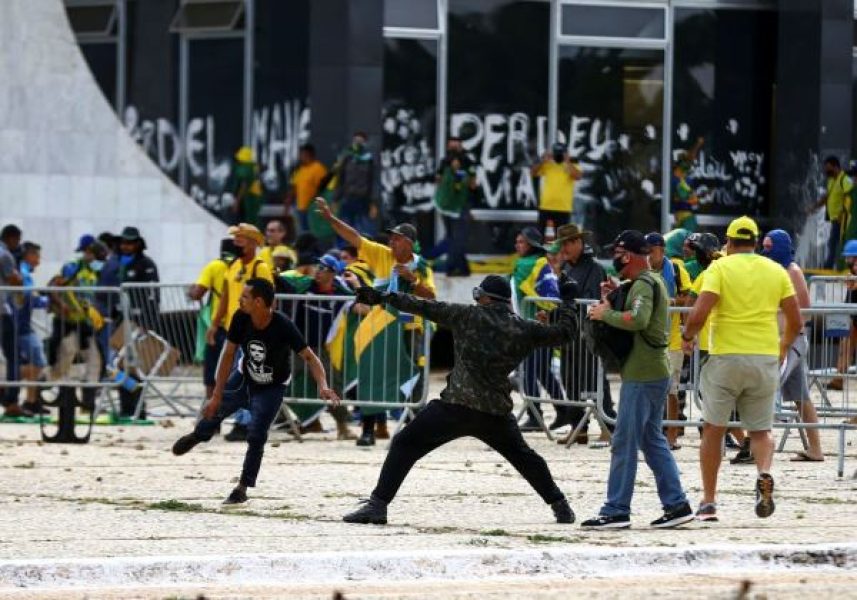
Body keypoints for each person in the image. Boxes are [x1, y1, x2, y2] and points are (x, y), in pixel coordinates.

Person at [342, 275, 579, 525]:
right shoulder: (525, 328)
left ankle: (377, 505)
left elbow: (422, 306)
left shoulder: (466, 315)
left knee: (404, 444)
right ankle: (560, 506)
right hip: (495, 412)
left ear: (483, 297)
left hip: (455, 407)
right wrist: (568, 302)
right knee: (526, 459)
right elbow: (565, 333)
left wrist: (383, 297)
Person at [172, 278, 340, 504]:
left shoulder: (283, 325)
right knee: (214, 410)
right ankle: (198, 435)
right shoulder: (240, 318)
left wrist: (323, 385)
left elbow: (310, 357)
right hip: (244, 377)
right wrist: (216, 395)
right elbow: (228, 354)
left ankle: (241, 488)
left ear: (258, 302)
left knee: (256, 435)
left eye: (244, 297)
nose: (239, 300)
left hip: (272, 387)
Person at [682, 216, 801, 522]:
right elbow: (796, 319)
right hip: (764, 357)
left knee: (713, 429)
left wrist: (687, 337)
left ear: (729, 242)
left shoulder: (720, 268)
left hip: (726, 357)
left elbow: (700, 312)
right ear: (756, 242)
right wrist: (783, 348)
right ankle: (763, 472)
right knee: (760, 431)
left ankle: (709, 501)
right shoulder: (775, 270)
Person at [582, 231, 692, 530]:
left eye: (617, 254)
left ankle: (616, 509)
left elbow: (639, 319)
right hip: (651, 372)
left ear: (628, 255)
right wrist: (615, 295)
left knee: (624, 441)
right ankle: (677, 504)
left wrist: (605, 314)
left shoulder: (644, 284)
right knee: (651, 440)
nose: (614, 259)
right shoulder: (647, 282)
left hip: (643, 375)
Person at [207, 223, 274, 441]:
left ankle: (245, 424)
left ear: (253, 242)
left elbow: (269, 300)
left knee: (245, 378)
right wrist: (214, 324)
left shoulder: (260, 267)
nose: (235, 242)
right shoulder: (234, 265)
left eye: (240, 238)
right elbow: (225, 298)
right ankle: (236, 420)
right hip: (233, 330)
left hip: (252, 331)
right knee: (230, 377)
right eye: (234, 238)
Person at [760, 230, 823, 461]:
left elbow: (804, 309)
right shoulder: (773, 271)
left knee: (766, 388)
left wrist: (786, 338)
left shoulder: (793, 271)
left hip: (791, 341)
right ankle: (815, 449)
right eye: (764, 246)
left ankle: (757, 445)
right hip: (782, 339)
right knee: (801, 397)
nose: (765, 251)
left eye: (769, 247)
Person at [553, 224, 615, 441]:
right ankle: (578, 428)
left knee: (595, 380)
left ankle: (609, 426)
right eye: (563, 243)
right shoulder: (566, 268)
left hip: (588, 334)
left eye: (569, 242)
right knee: (570, 380)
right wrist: (552, 317)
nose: (565, 247)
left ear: (579, 242)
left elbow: (590, 300)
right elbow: (564, 301)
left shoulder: (594, 269)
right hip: (570, 333)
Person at [512, 227, 562, 431]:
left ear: (531, 244)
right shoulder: (542, 263)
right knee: (542, 371)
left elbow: (516, 290)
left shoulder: (527, 265)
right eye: (517, 241)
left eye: (521, 242)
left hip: (533, 327)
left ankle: (535, 416)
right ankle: (565, 410)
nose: (517, 245)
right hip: (543, 326)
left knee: (530, 371)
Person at [645, 232, 690, 450]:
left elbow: (688, 298)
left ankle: (672, 434)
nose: (648, 255)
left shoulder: (677, 269)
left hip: (672, 339)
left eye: (651, 251)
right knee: (648, 387)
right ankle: (650, 431)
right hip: (648, 337)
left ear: (661, 250)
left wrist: (669, 301)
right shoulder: (643, 270)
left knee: (671, 390)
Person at [116, 226, 159, 419]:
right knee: (118, 366)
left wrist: (148, 323)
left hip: (138, 323)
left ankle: (138, 408)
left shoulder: (146, 264)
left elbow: (153, 294)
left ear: (138, 244)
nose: (126, 246)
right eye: (123, 242)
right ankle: (125, 407)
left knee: (136, 367)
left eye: (130, 243)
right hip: (121, 322)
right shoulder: (118, 263)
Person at [189, 238, 237, 403]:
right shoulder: (242, 267)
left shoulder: (214, 266)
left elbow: (197, 294)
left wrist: (190, 291)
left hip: (219, 326)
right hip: (240, 326)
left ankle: (212, 409)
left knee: (212, 372)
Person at [12, 242, 49, 414]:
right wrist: (47, 301)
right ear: (29, 255)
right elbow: (27, 296)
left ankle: (31, 401)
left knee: (33, 363)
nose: (39, 262)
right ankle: (8, 384)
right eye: (37, 256)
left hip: (21, 324)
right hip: (21, 326)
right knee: (37, 363)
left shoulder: (22, 270)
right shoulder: (23, 271)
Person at [433, 136, 475, 276]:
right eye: (451, 147)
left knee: (458, 237)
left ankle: (452, 267)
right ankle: (462, 268)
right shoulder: (444, 162)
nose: (454, 150)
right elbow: (438, 179)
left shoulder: (467, 161)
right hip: (447, 205)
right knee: (452, 237)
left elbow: (473, 184)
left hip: (461, 205)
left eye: (456, 147)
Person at [531, 142, 583, 232]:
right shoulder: (548, 164)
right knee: (539, 235)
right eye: (556, 153)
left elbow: (578, 176)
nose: (558, 156)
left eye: (560, 153)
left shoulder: (572, 164)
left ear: (566, 153)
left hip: (563, 207)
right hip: (546, 206)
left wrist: (567, 161)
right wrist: (543, 160)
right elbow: (533, 173)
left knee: (561, 237)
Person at [333, 131, 376, 236]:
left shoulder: (369, 159)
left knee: (365, 232)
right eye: (356, 141)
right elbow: (340, 180)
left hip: (363, 200)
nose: (358, 143)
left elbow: (374, 182)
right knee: (344, 230)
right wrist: (335, 200)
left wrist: (373, 203)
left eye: (361, 141)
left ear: (365, 143)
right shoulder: (347, 157)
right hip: (347, 199)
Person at [0, 224, 23, 416]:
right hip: (2, 311)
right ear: (11, 238)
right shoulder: (5, 255)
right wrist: (19, 277)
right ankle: (11, 401)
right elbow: (14, 280)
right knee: (13, 355)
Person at [816, 156, 854, 269]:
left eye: (829, 168)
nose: (826, 171)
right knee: (835, 242)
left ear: (836, 167)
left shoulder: (845, 180)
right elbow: (827, 197)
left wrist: (842, 213)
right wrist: (814, 207)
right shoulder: (832, 180)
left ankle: (833, 265)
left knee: (835, 242)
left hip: (843, 219)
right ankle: (837, 264)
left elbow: (849, 197)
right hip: (835, 219)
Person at [288, 144, 328, 233]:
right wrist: (288, 202)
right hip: (299, 207)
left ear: (309, 154)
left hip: (312, 208)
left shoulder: (318, 168)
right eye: (300, 155)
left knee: (312, 232)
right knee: (301, 232)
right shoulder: (300, 169)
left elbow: (323, 188)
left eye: (303, 154)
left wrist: (316, 204)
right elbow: (294, 187)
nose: (301, 157)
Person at [671, 137, 704, 232]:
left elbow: (693, 199)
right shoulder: (672, 180)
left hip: (688, 215)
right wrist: (697, 145)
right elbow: (678, 198)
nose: (689, 164)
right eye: (685, 162)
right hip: (677, 215)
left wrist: (694, 199)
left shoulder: (688, 180)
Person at [231, 146, 264, 227]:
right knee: (253, 221)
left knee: (247, 222)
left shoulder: (246, 168)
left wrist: (237, 202)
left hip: (248, 198)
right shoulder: (254, 167)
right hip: (255, 197)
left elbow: (244, 185)